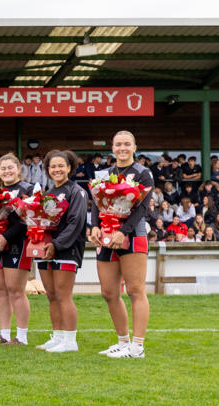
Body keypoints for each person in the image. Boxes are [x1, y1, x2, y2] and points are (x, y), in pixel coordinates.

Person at [89, 130, 154, 359]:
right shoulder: (104, 173)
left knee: (135, 290)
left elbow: (142, 209)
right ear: (112, 147)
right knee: (109, 292)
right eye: (118, 144)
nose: (122, 148)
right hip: (106, 235)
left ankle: (137, 347)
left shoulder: (143, 174)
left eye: (127, 144)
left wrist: (123, 231)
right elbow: (97, 204)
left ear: (135, 147)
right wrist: (94, 226)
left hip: (132, 235)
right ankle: (123, 342)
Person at [32, 150, 89, 353]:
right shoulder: (47, 194)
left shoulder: (77, 192)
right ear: (47, 170)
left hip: (66, 250)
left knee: (64, 295)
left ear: (69, 167)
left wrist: (56, 244)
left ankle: (70, 340)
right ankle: (57, 337)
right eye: (52, 166)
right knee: (52, 295)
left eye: (60, 166)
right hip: (46, 250)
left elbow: (76, 222)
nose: (56, 169)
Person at [0, 153, 33, 345]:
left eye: (10, 168)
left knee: (16, 290)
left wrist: (6, 236)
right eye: (3, 168)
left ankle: (21, 337)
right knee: (0, 290)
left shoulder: (28, 189)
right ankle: (4, 333)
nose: (7, 171)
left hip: (18, 243)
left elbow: (28, 220)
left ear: (19, 169)